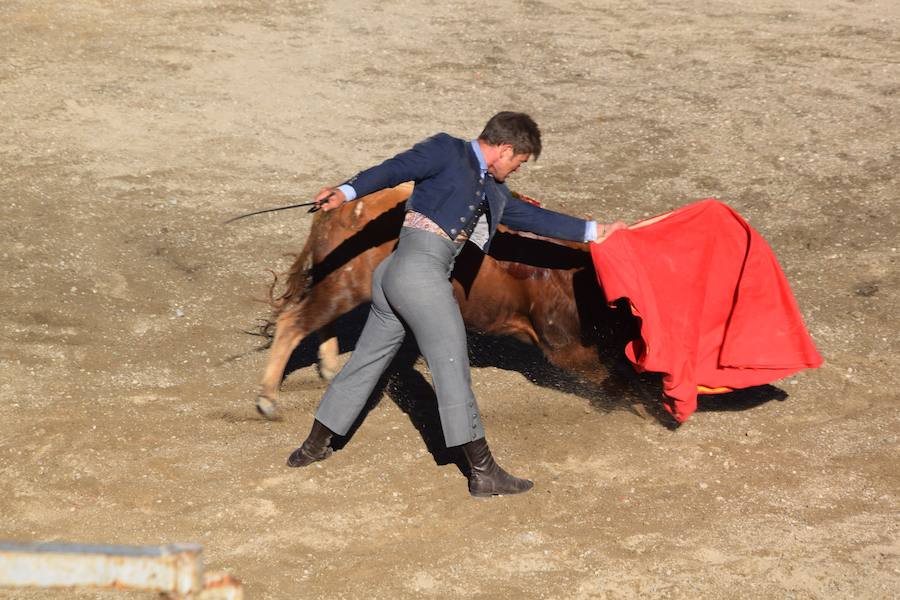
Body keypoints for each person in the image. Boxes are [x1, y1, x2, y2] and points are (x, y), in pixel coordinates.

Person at [288, 112, 625, 496]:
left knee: (366, 360)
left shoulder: (495, 190)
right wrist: (346, 191)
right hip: (419, 275)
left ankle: (313, 446)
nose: (516, 170)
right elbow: (393, 169)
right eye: (519, 162)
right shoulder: (446, 150)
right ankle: (483, 472)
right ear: (505, 149)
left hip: (396, 274)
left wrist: (597, 231)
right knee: (451, 369)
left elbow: (532, 218)